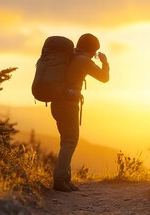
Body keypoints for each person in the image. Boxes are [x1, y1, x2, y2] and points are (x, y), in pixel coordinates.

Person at [51, 33, 110, 192]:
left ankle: (65, 179)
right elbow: (104, 78)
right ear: (92, 50)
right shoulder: (84, 61)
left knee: (65, 141)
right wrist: (105, 62)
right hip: (69, 105)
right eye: (95, 52)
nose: (94, 55)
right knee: (70, 141)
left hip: (56, 103)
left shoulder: (69, 57)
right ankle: (59, 180)